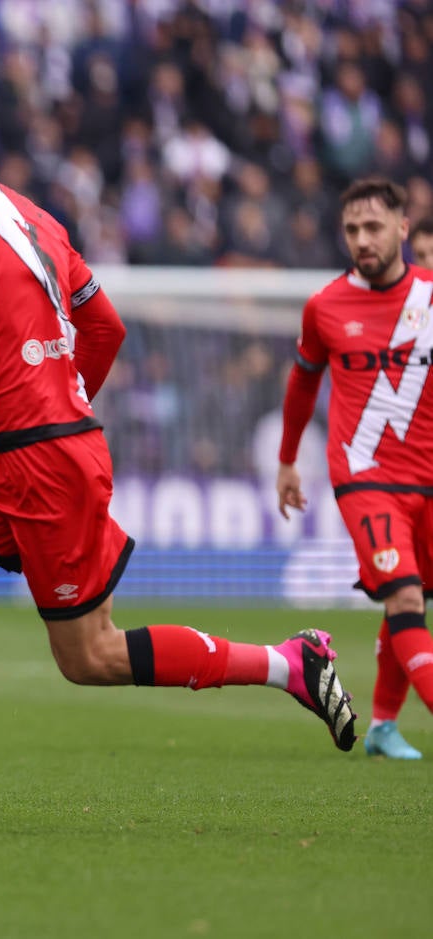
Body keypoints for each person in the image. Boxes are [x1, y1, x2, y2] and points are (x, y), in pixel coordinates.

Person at [0, 94, 356, 831]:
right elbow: (104, 325)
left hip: (42, 454)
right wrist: (61, 396)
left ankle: (287, 664)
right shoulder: (29, 212)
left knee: (90, 655)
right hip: (21, 446)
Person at [276, 177, 433, 762]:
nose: (362, 240)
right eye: (351, 230)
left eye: (372, 227)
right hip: (364, 478)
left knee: (414, 603)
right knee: (403, 600)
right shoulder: (326, 306)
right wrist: (288, 458)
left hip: (427, 477)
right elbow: (301, 384)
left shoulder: (429, 297)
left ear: (402, 229)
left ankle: (386, 726)